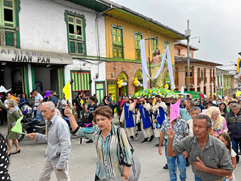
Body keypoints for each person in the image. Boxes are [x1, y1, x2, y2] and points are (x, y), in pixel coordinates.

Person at [65, 106, 132, 180]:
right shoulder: (96, 131)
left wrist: (125, 176)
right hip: (100, 176)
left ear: (110, 119)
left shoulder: (119, 132)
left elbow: (127, 155)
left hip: (116, 176)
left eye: (103, 119)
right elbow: (79, 132)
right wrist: (70, 116)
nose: (100, 122)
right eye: (98, 120)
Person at [167, 114, 233, 181]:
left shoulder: (219, 146)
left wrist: (205, 169)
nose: (196, 129)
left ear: (209, 129)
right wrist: (170, 139)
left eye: (200, 127)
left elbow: (228, 171)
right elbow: (171, 153)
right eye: (194, 126)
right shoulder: (188, 141)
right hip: (198, 178)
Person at [28, 102, 71, 181]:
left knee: (63, 179)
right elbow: (50, 138)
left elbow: (66, 145)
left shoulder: (60, 123)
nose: (42, 114)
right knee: (43, 177)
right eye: (41, 111)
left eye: (44, 111)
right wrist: (37, 135)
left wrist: (61, 163)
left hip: (58, 157)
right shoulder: (48, 122)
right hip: (50, 156)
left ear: (52, 111)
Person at [158, 107, 188, 181]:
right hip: (169, 148)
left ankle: (183, 179)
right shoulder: (165, 122)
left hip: (180, 148)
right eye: (172, 113)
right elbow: (162, 134)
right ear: (168, 114)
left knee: (182, 168)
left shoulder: (182, 122)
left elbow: (185, 136)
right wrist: (160, 146)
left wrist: (186, 149)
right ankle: (173, 179)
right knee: (171, 167)